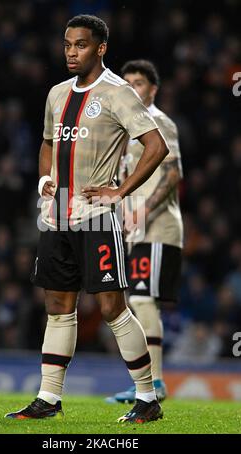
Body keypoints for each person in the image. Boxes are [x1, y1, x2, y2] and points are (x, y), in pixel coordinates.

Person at [5, 16, 168, 424]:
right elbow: (46, 143)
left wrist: (121, 190)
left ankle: (147, 397)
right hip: (56, 213)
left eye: (80, 45)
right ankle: (48, 397)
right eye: (67, 45)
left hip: (94, 215)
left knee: (112, 306)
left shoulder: (117, 93)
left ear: (100, 48)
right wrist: (45, 178)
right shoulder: (57, 94)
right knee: (58, 306)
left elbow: (156, 145)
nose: (71, 52)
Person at [107, 60, 183, 404]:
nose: (132, 88)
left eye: (139, 82)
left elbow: (172, 174)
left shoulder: (159, 122)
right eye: (128, 83)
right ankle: (149, 383)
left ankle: (154, 383)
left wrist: (143, 211)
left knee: (141, 299)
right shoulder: (128, 129)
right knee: (137, 300)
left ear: (153, 89)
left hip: (157, 225)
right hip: (138, 229)